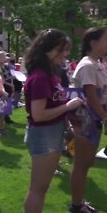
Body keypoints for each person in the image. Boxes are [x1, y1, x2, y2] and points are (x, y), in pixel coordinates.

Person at [22, 29, 84, 213]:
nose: (65, 55)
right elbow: (39, 114)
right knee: (38, 189)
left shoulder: (50, 73)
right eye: (61, 50)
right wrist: (68, 106)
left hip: (51, 133)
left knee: (41, 188)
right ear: (46, 49)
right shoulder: (40, 77)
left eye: (66, 50)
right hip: (44, 134)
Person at [69, 27, 107, 213]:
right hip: (86, 120)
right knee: (81, 164)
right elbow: (91, 97)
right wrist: (105, 117)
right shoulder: (88, 66)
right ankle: (76, 205)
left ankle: (79, 202)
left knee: (86, 163)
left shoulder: (97, 64)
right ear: (93, 42)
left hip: (94, 119)